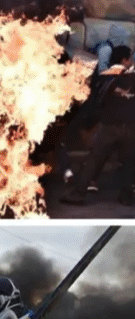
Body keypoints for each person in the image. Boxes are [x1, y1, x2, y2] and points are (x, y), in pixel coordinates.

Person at [60, 46, 135, 206]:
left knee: (94, 160)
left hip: (108, 127)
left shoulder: (104, 77)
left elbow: (97, 101)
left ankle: (78, 194)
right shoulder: (132, 77)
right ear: (124, 60)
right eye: (130, 57)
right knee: (128, 162)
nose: (131, 61)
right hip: (130, 127)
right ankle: (126, 196)